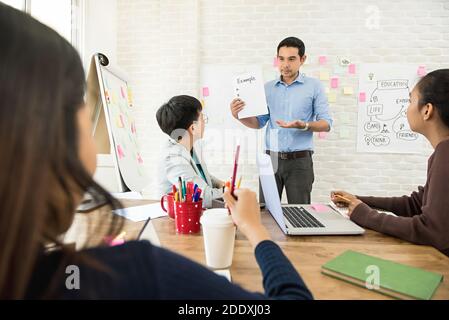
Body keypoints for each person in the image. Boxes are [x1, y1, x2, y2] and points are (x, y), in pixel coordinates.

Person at [0, 3, 313, 300]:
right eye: (79, 104)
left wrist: (221, 186)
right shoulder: (137, 270)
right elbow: (199, 194)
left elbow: (206, 180)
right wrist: (254, 228)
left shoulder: (192, 149)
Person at [331, 69, 449, 257]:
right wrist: (359, 201)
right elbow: (415, 204)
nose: (406, 108)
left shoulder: (445, 155)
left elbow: (432, 231)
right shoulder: (442, 152)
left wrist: (366, 215)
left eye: (410, 101)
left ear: (427, 110)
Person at [230, 37, 333, 205]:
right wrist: (239, 116)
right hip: (270, 160)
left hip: (300, 162)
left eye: (291, 59)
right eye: (281, 58)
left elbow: (326, 124)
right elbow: (259, 123)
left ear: (303, 59)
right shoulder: (267, 88)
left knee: (301, 214)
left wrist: (305, 125)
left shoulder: (314, 86)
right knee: (267, 213)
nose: (285, 64)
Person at [156, 95, 224, 208]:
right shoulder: (172, 158)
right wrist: (230, 192)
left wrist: (220, 184)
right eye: (202, 119)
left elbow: (200, 176)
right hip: (175, 219)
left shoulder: (189, 147)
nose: (205, 123)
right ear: (192, 128)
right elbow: (205, 198)